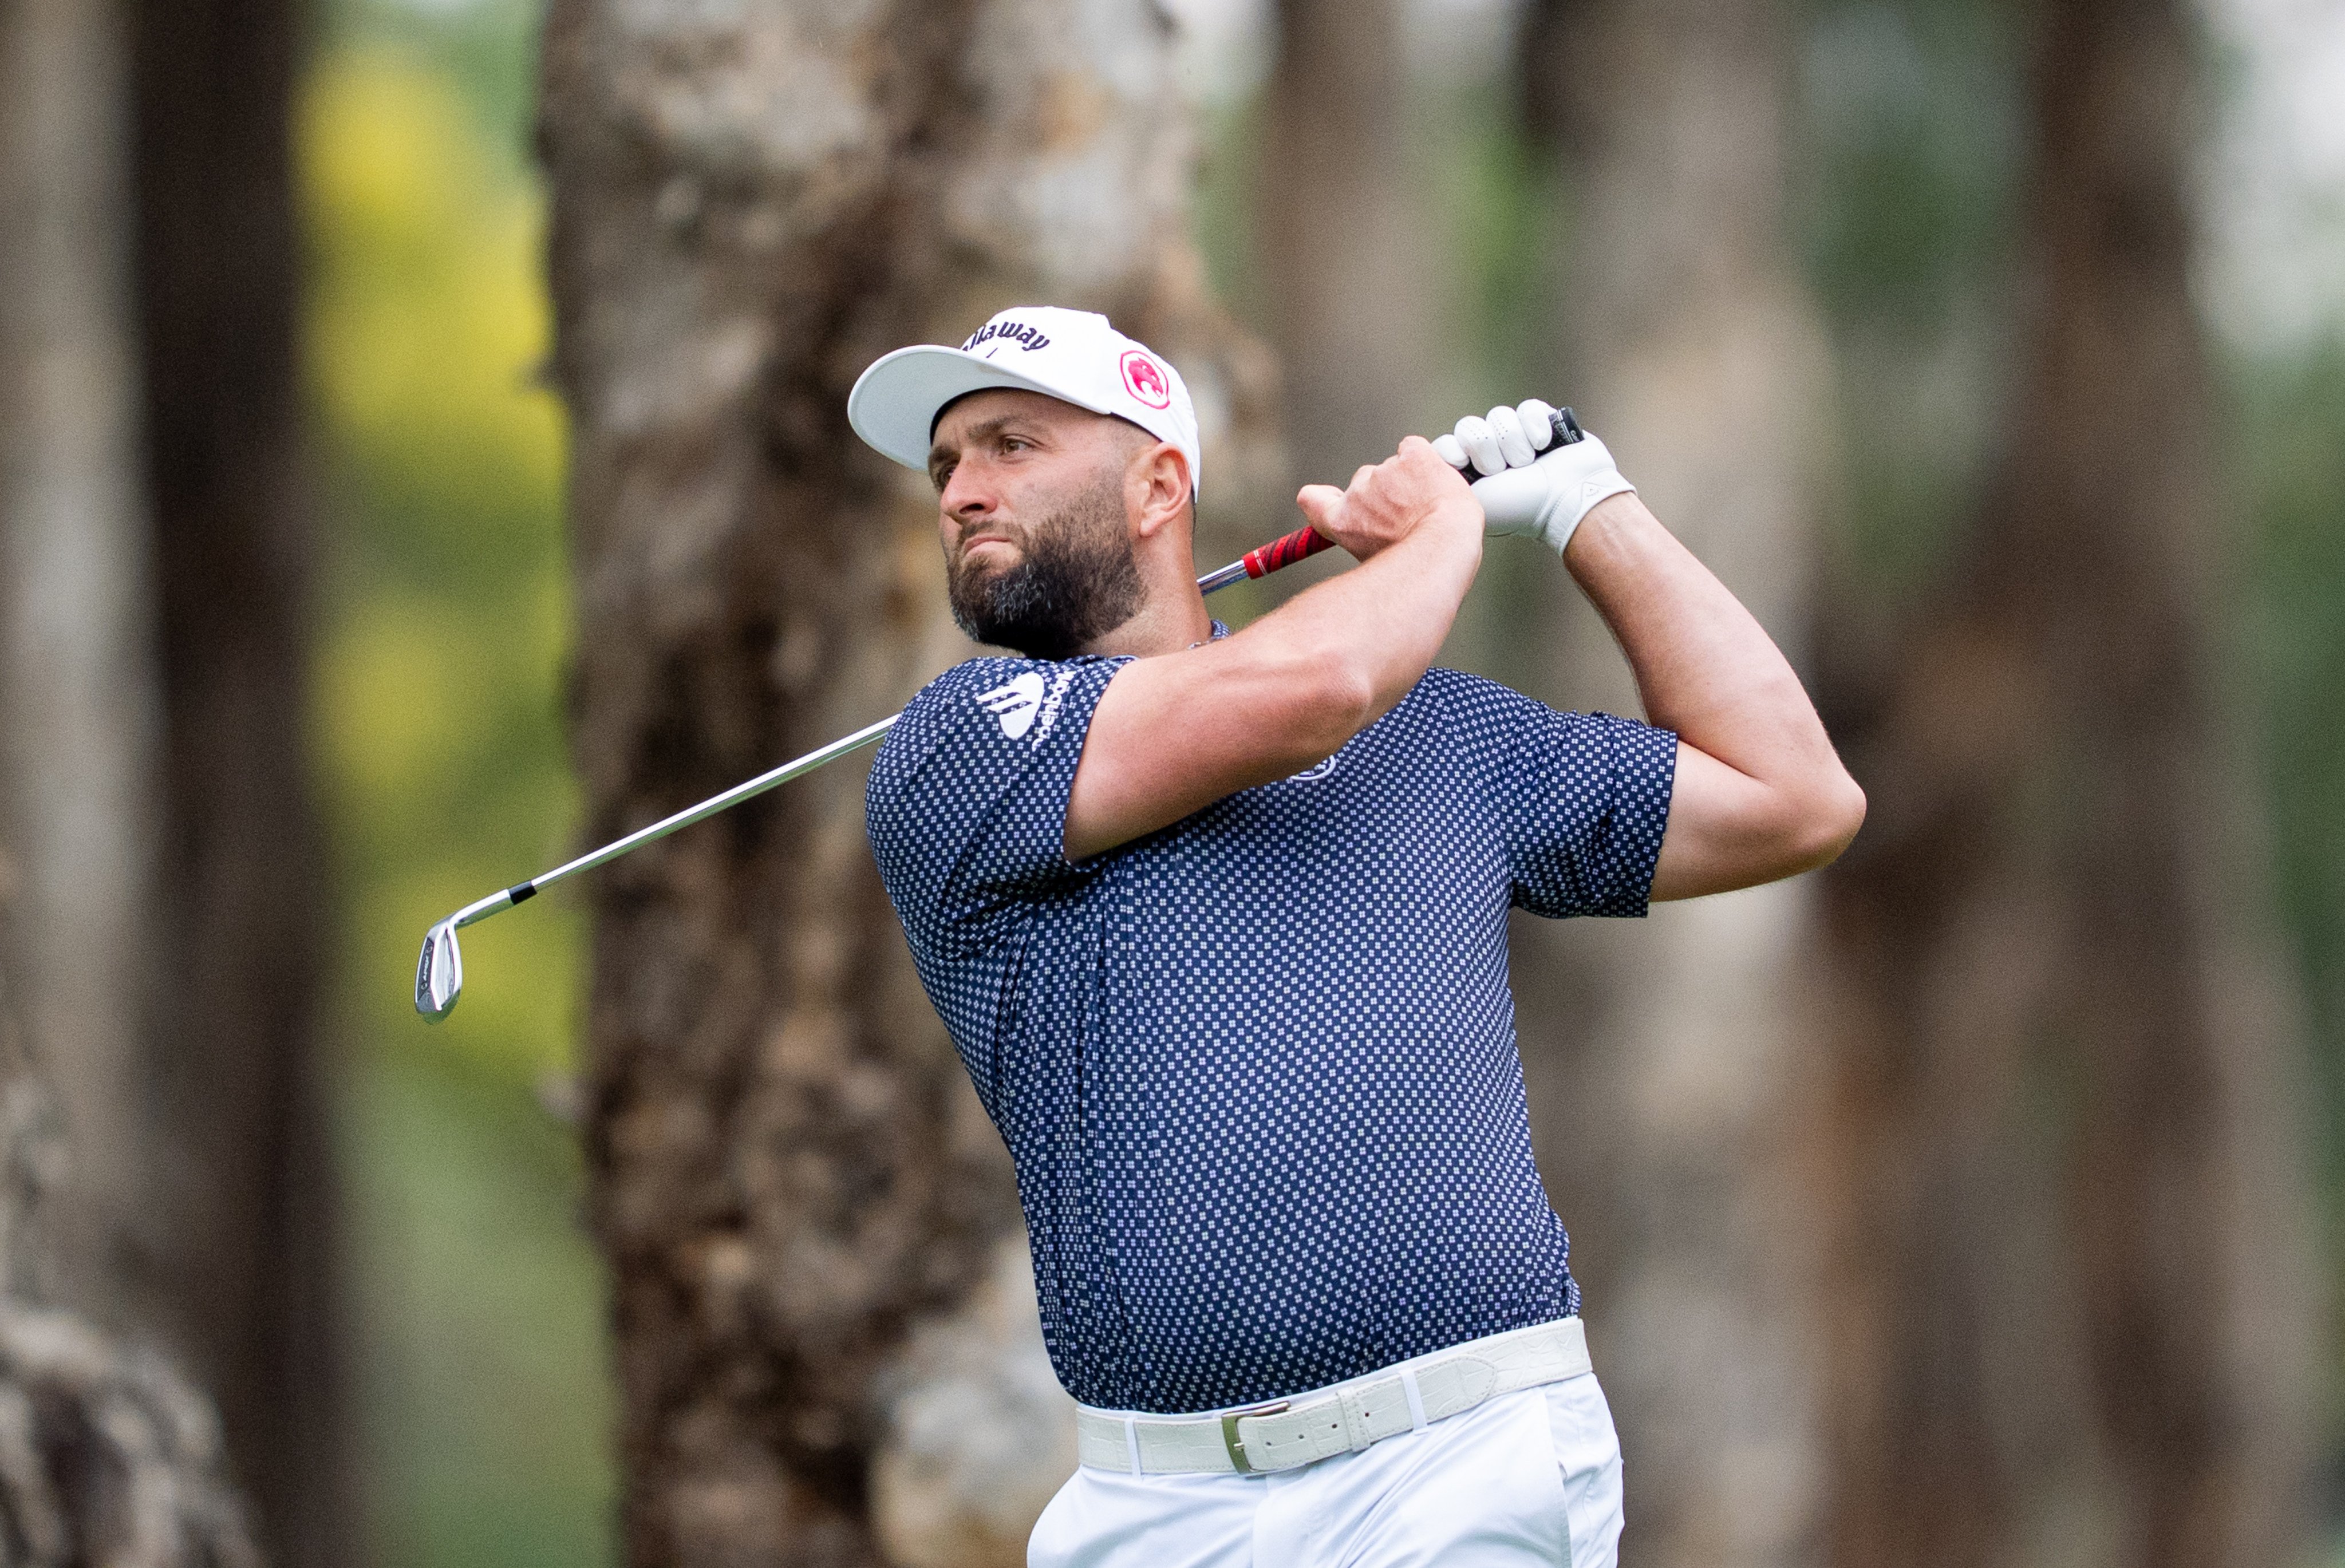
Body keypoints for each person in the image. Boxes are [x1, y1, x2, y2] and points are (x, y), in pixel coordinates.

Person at [847, 306, 1864, 1568]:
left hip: (1464, 1465)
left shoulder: (1443, 739)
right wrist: (1436, 538)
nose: (961, 491)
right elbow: (1308, 694)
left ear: (1158, 482)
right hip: (1156, 1508)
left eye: (1010, 444)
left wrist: (1587, 510)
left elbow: (1795, 799)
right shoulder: (957, 749)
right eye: (944, 465)